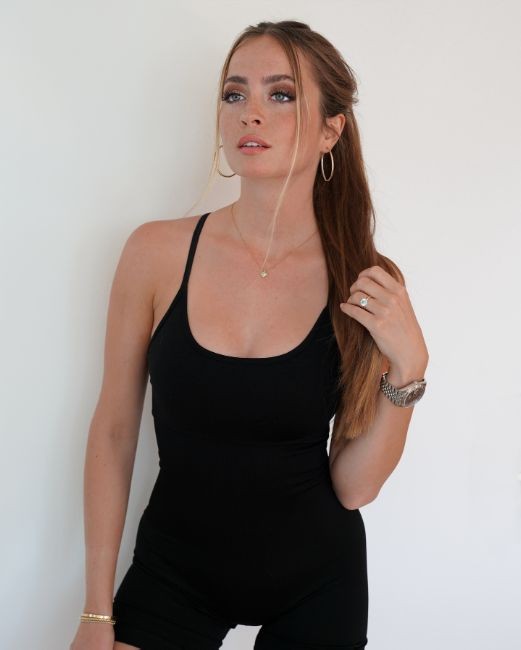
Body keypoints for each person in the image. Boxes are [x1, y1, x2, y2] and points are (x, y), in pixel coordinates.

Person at [70, 19, 429, 650]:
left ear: (331, 130)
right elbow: (115, 430)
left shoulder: (364, 280)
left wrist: (409, 371)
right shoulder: (154, 254)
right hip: (174, 573)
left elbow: (354, 486)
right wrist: (97, 613)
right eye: (234, 94)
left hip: (317, 578)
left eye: (280, 94)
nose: (249, 113)